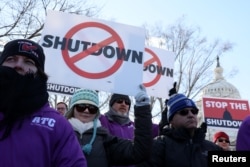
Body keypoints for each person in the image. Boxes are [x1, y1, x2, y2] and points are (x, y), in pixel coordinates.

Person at [0, 39, 87, 166]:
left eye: (28, 62)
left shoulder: (58, 124)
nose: (18, 65)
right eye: (11, 59)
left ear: (39, 73)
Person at [65, 86, 152, 167]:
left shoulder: (105, 138)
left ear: (96, 112)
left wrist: (142, 108)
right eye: (81, 106)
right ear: (73, 109)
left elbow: (139, 151)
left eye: (92, 108)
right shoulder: (59, 134)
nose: (87, 111)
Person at [138, 93, 222, 167]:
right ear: (171, 120)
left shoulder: (213, 148)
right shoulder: (159, 145)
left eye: (194, 111)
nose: (191, 115)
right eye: (184, 112)